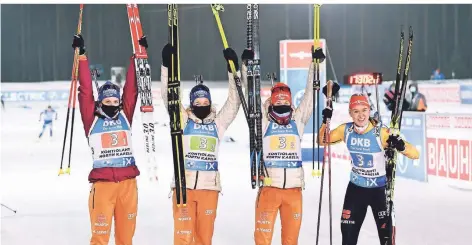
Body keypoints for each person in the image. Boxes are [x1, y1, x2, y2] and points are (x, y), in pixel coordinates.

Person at [160, 44, 245, 245]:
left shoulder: (219, 122)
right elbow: (168, 97)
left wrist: (233, 71)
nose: (201, 106)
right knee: (182, 238)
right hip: (184, 187)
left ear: (209, 103)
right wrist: (166, 67)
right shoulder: (183, 120)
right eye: (197, 104)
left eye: (204, 103)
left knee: (204, 239)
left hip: (209, 188)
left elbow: (235, 102)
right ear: (191, 104)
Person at [319, 93, 420, 245]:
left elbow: (415, 154)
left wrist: (401, 145)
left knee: (386, 239)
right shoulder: (345, 130)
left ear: (369, 110)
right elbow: (322, 140)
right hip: (355, 190)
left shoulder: (381, 133)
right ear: (350, 113)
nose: (361, 115)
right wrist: (325, 121)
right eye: (356, 111)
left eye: (364, 110)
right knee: (347, 237)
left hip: (379, 192)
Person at [73, 34, 142, 245]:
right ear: (100, 102)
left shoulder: (125, 114)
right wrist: (82, 57)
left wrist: (136, 58)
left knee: (125, 238)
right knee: (100, 238)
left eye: (115, 100)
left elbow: (132, 89)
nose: (112, 103)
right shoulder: (91, 119)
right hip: (103, 186)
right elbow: (85, 91)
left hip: (128, 185)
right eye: (107, 100)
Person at [252, 47, 325, 245]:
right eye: (278, 100)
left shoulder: (298, 119)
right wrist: (245, 68)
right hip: (269, 189)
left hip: (293, 191)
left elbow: (310, 96)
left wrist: (315, 65)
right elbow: (250, 98)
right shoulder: (264, 122)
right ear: (272, 101)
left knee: (291, 241)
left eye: (286, 100)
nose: (282, 105)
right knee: (262, 240)